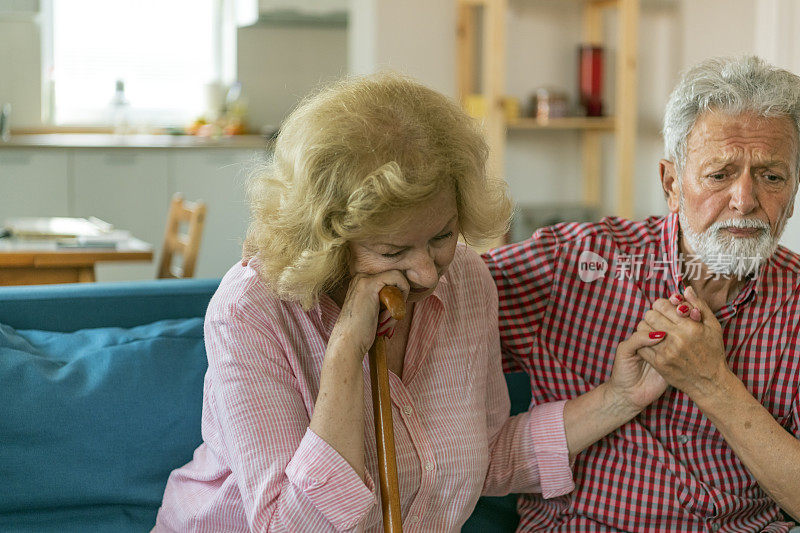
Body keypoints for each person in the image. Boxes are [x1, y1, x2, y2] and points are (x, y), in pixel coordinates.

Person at [153, 72, 672, 532]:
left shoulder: (465, 277)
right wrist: (344, 357)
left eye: (442, 235)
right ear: (328, 238)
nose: (427, 273)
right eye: (392, 250)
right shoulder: (251, 310)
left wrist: (621, 398)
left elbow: (486, 457)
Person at [484, 55, 800, 531]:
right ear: (671, 183)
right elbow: (433, 297)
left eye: (772, 176)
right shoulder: (573, 264)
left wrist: (711, 382)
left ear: (793, 190)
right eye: (720, 174)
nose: (745, 200)